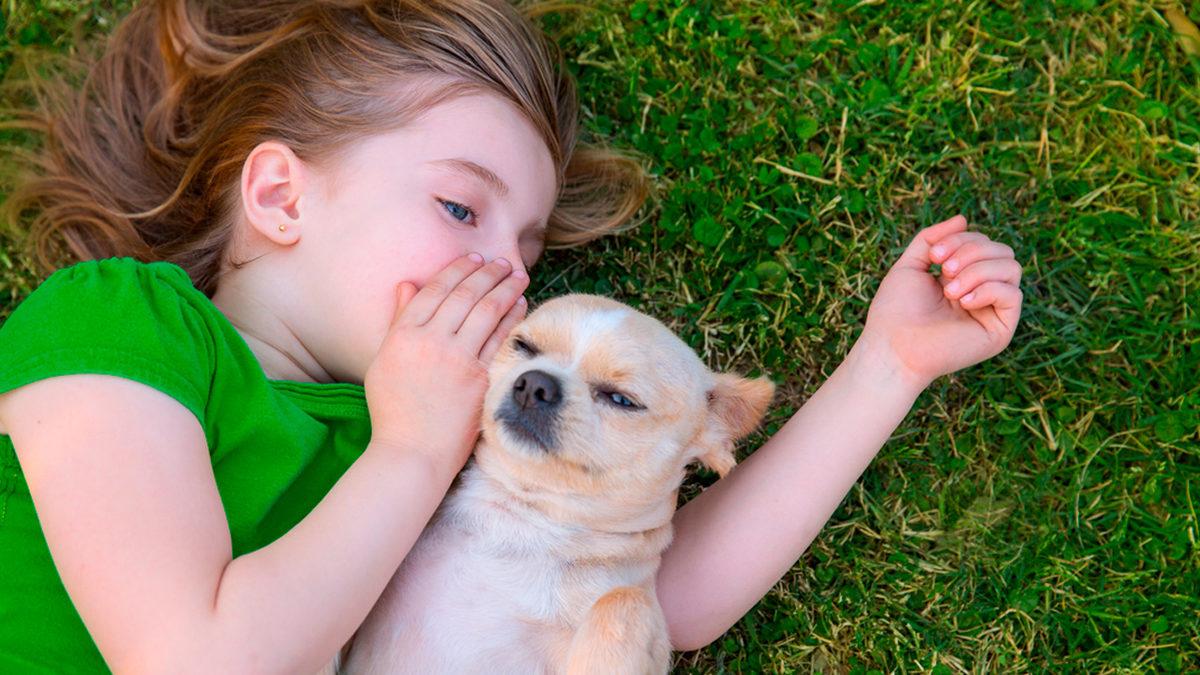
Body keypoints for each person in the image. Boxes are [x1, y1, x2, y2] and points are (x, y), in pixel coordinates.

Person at [0, 0, 1024, 672]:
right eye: (461, 208)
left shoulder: (429, 426)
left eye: (526, 249)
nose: (505, 273)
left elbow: (652, 593)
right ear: (278, 193)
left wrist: (887, 367)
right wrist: (407, 451)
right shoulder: (121, 321)